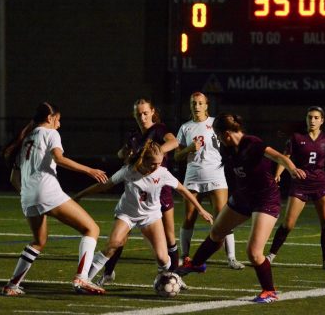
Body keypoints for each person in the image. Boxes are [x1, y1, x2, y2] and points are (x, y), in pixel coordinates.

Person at [175, 114, 307, 303]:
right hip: (243, 196)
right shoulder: (227, 149)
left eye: (219, 135)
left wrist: (293, 169)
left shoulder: (251, 143)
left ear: (227, 133)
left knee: (254, 252)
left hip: (265, 199)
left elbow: (277, 156)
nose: (218, 139)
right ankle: (196, 264)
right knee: (217, 232)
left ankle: (269, 291)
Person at [1, 102, 109, 296]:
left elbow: (13, 178)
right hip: (47, 191)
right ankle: (82, 278)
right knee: (91, 229)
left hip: (27, 197)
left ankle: (12, 285)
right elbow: (59, 158)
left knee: (38, 241)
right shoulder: (50, 134)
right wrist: (89, 170)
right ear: (50, 119)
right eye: (58, 120)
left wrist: (28, 193)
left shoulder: (26, 139)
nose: (59, 125)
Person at [74, 141, 214, 289]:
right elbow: (104, 185)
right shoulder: (129, 170)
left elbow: (183, 190)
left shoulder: (162, 173)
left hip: (151, 216)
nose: (157, 167)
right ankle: (85, 279)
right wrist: (80, 195)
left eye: (159, 163)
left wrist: (200, 209)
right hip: (127, 214)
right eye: (153, 163)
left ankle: (169, 276)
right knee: (112, 245)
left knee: (162, 258)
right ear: (144, 160)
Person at [97, 98, 180, 286]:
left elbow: (173, 142)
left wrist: (157, 152)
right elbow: (122, 153)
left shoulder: (158, 130)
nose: (142, 117)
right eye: (138, 114)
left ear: (152, 112)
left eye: (145, 113)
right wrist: (126, 154)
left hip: (159, 189)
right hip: (137, 192)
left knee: (169, 238)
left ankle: (174, 276)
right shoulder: (134, 136)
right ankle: (108, 273)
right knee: (120, 238)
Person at [266, 106, 325, 270]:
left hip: (320, 184)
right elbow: (285, 158)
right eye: (309, 117)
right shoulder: (296, 138)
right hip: (300, 183)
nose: (312, 120)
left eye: (315, 117)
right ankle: (270, 256)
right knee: (289, 223)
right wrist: (278, 174)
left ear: (322, 120)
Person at [174, 92, 244, 270]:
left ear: (206, 105)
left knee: (224, 217)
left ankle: (231, 258)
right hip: (193, 176)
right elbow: (176, 156)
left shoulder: (216, 124)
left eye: (200, 103)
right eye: (193, 103)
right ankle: (185, 255)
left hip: (216, 175)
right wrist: (189, 148)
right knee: (189, 217)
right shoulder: (185, 128)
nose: (196, 106)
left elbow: (232, 144)